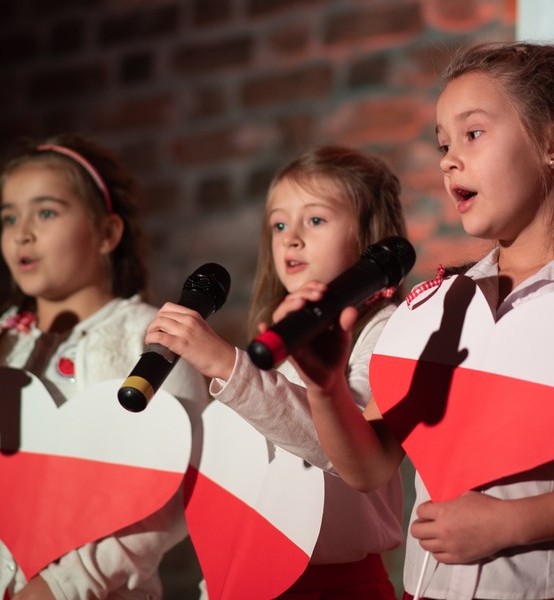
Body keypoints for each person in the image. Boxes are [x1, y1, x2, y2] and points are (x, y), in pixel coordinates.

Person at [280, 42, 554, 599]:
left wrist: (509, 524)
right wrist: (325, 385)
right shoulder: (435, 306)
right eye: (443, 144)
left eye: (472, 134)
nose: (449, 158)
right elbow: (370, 465)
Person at [0, 133, 208, 599]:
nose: (22, 232)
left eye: (45, 212)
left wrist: (62, 586)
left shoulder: (153, 341)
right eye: (9, 217)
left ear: (107, 233)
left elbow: (175, 492)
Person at [144, 145, 407, 598]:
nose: (291, 238)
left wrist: (225, 364)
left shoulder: (387, 332)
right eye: (280, 224)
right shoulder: (277, 350)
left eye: (316, 220)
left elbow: (352, 452)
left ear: (371, 237)